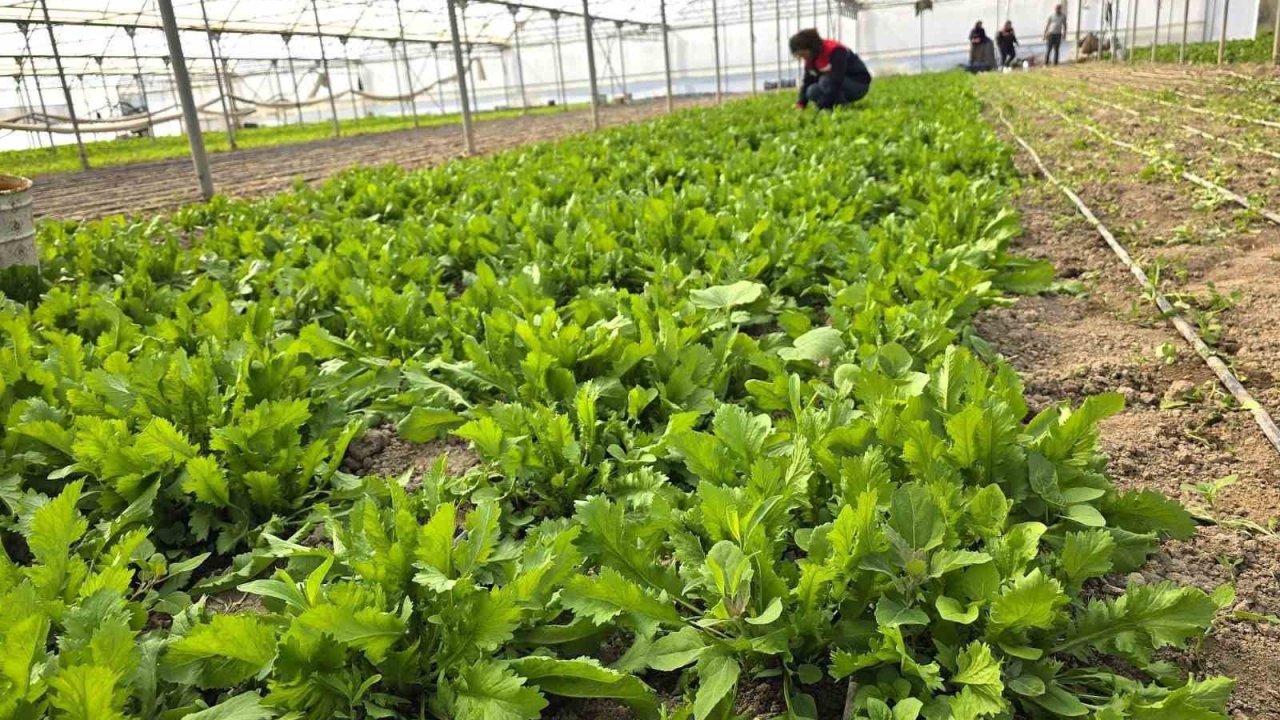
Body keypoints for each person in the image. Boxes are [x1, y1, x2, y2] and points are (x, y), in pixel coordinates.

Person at [790, 28, 872, 111]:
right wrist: (801, 103)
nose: (802, 58)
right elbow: (808, 81)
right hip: (835, 85)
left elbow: (837, 80)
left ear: (811, 47)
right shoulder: (810, 59)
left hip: (858, 85)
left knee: (825, 80)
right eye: (799, 56)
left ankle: (842, 107)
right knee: (811, 91)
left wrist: (822, 103)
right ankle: (835, 107)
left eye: (802, 54)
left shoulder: (836, 50)